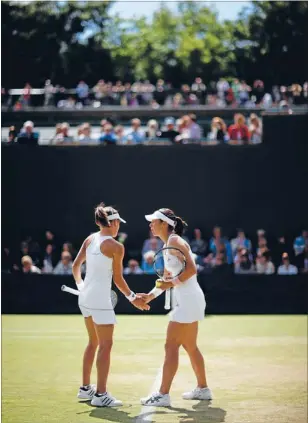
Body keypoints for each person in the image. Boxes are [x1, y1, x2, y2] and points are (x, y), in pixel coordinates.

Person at [72, 203, 149, 407]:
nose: (119, 228)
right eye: (118, 224)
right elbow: (118, 280)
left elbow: (75, 266)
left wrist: (81, 285)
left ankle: (85, 389)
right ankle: (101, 394)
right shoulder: (116, 247)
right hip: (99, 300)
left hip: (85, 299)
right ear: (113, 222)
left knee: (93, 342)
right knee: (106, 346)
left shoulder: (90, 239)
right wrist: (134, 298)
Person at [138, 208, 212, 407]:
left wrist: (171, 283)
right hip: (189, 300)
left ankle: (162, 394)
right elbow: (167, 280)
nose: (150, 224)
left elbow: (192, 270)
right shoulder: (168, 244)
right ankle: (203, 389)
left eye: (154, 221)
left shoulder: (175, 242)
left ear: (164, 223)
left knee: (171, 346)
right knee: (190, 346)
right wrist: (150, 296)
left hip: (188, 301)